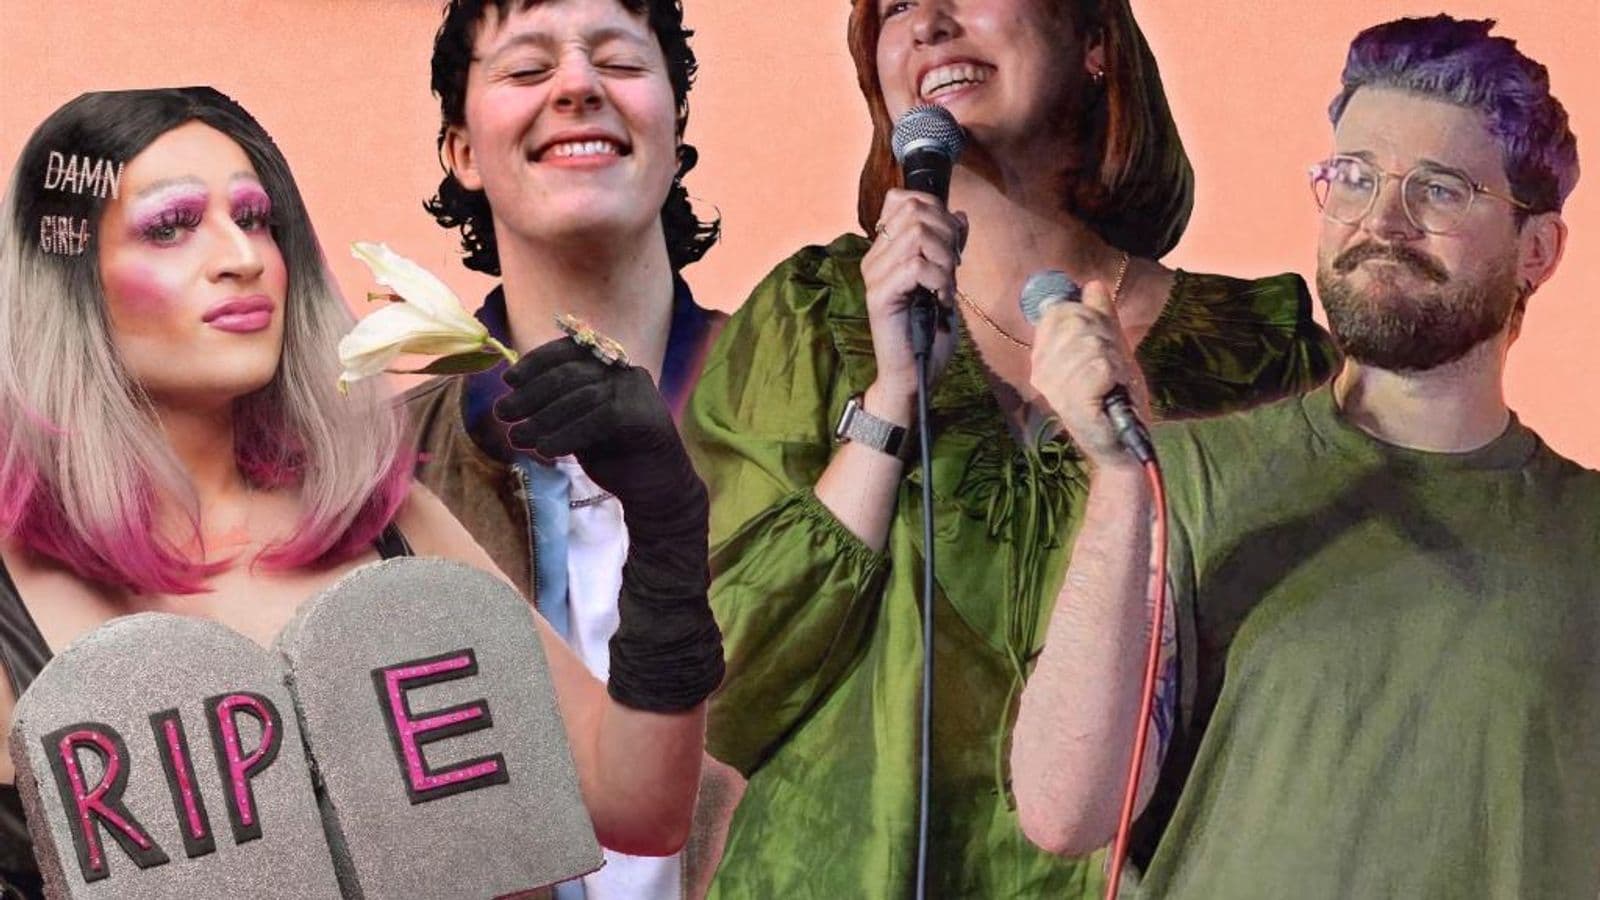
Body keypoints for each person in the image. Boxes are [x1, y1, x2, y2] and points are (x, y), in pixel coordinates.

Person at [682, 0, 1339, 895]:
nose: (929, 23)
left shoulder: (1260, 354)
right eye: (895, 7)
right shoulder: (812, 316)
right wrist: (891, 398)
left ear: (1094, 40)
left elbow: (1307, 703)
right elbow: (714, 692)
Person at [0, 86, 712, 900]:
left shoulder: (393, 522)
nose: (243, 258)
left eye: (256, 218)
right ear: (66, 278)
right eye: (171, 226)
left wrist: (667, 523)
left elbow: (638, 808)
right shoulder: (12, 595)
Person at [1011, 14, 1596, 898]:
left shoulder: (1586, 532)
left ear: (1538, 251)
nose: (1382, 221)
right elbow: (1064, 813)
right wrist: (1122, 478)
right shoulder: (1183, 480)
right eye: (1353, 177)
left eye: (1439, 190)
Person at [404, 1, 729, 897]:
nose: (579, 86)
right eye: (526, 69)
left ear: (674, 126)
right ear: (463, 151)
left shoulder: (814, 400)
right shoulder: (378, 471)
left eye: (619, 62)